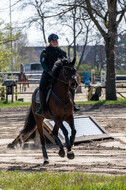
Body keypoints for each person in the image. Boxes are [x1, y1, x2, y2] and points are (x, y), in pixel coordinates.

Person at [35, 33, 79, 116]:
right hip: (48, 73)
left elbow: (66, 63)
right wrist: (48, 71)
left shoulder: (62, 52)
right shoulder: (45, 52)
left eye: (56, 41)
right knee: (42, 86)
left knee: (71, 85)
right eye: (53, 41)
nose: (55, 42)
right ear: (50, 42)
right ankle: (42, 107)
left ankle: (73, 103)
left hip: (60, 75)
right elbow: (43, 63)